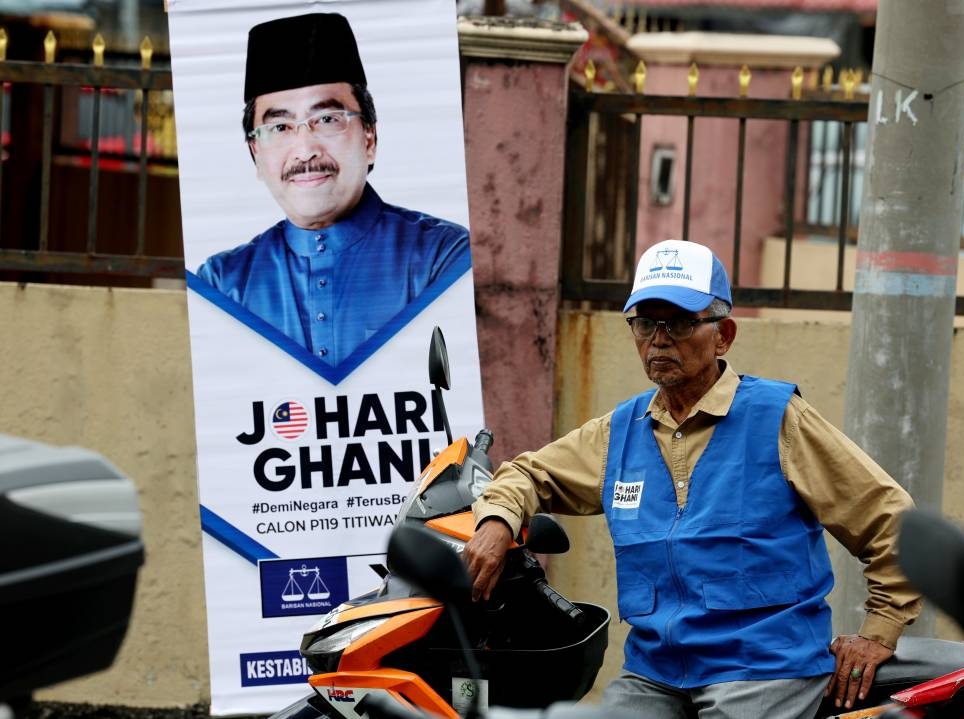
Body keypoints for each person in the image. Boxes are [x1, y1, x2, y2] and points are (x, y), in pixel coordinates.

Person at [464, 239, 922, 719]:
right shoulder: (621, 431)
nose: (659, 339)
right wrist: (496, 521)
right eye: (645, 323)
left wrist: (879, 630)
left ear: (723, 335)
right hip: (657, 672)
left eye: (680, 323)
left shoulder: (777, 419)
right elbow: (528, 473)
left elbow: (890, 519)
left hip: (761, 667)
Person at [195, 12, 471, 367]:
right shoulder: (223, 285)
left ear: (369, 137)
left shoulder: (441, 258)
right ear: (255, 153)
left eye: (327, 120)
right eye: (279, 127)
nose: (305, 149)